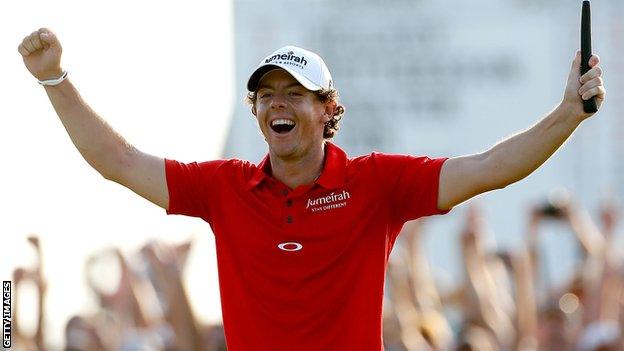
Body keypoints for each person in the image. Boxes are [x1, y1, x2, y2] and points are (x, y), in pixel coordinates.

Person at [18, 27, 605, 350]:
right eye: (267, 95)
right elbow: (118, 162)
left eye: (294, 93)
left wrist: (568, 114)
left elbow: (490, 167)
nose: (278, 103)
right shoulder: (225, 187)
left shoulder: (375, 181)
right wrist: (55, 79)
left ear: (327, 111)